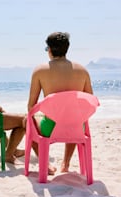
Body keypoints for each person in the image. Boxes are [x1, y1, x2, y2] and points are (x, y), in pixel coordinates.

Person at [27, 32, 93, 175]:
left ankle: (46, 165)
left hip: (50, 128)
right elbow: (89, 102)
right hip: (77, 127)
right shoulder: (82, 71)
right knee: (73, 116)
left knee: (27, 121)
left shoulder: (40, 71)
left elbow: (31, 106)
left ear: (49, 50)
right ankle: (66, 164)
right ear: (67, 49)